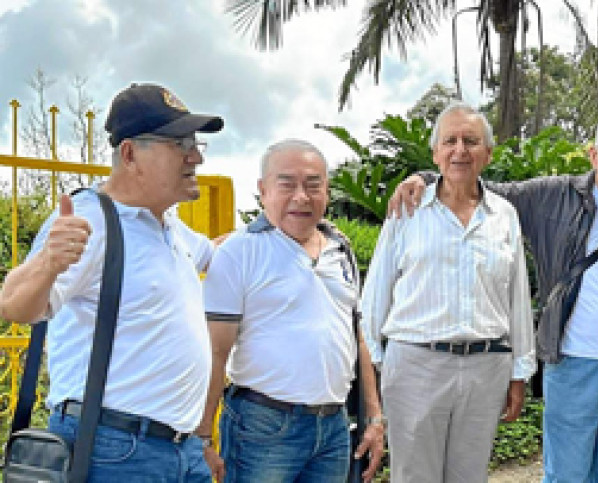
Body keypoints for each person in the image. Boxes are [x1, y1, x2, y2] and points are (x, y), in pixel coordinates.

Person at [389, 113, 598, 482]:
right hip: (572, 365)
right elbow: (483, 188)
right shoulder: (552, 196)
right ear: (593, 154)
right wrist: (425, 178)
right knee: (566, 476)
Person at [0, 83, 223, 481]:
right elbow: (14, 305)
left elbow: (222, 254)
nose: (196, 157)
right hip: (116, 449)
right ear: (130, 154)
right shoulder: (91, 220)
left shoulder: (167, 225)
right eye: (181, 144)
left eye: (195, 143)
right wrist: (48, 262)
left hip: (179, 449)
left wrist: (292, 223)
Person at [361, 102, 535, 483]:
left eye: (471, 141)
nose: (460, 150)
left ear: (488, 154)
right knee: (414, 477)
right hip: (415, 366)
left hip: (486, 369)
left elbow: (517, 298)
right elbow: (375, 295)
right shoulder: (406, 209)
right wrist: (381, 366)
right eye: (450, 141)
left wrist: (519, 371)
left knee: (470, 476)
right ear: (435, 153)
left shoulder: (504, 215)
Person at [196, 139, 385, 483]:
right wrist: (203, 436)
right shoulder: (239, 251)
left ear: (327, 191)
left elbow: (357, 338)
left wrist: (374, 418)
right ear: (263, 190)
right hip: (262, 426)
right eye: (287, 184)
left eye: (313, 185)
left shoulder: (340, 251)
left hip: (333, 427)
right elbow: (215, 351)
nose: (301, 197)